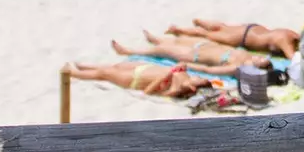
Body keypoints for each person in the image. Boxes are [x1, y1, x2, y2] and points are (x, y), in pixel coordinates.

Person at [62, 60, 225, 99]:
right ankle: (85, 67)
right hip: (143, 68)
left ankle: (73, 74)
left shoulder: (175, 89)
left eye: (200, 80)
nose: (199, 77)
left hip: (136, 79)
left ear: (193, 88)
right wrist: (180, 67)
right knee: (115, 66)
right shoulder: (186, 77)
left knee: (104, 74)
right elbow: (181, 64)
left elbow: (147, 92)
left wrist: (167, 75)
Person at [115, 32, 270, 72]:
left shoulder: (237, 67)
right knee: (178, 40)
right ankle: (156, 39)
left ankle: (128, 51)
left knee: (161, 51)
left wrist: (189, 66)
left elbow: (209, 69)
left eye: (260, 60)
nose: (258, 57)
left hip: (195, 56)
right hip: (205, 45)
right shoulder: (248, 55)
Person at [165, 19, 301, 56]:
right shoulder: (286, 41)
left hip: (252, 29)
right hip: (243, 37)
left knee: (223, 27)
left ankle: (201, 22)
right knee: (208, 35)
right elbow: (294, 59)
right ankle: (178, 30)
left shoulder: (292, 34)